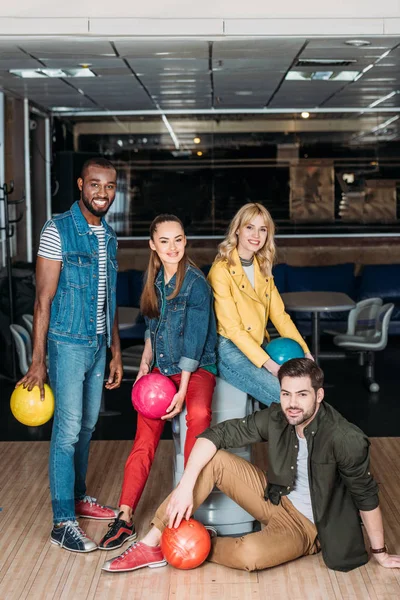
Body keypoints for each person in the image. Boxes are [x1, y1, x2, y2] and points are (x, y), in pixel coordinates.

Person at [102, 358, 400, 574]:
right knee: (213, 458)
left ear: (319, 396)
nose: (292, 404)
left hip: (307, 526)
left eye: (302, 394)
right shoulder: (280, 415)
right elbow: (216, 435)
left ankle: (192, 543)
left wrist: (380, 553)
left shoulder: (345, 438)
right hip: (274, 496)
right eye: (286, 394)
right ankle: (152, 542)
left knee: (249, 555)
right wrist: (186, 485)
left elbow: (366, 497)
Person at [16, 157, 123, 553]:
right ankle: (62, 521)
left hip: (97, 344)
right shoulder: (56, 229)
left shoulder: (108, 236)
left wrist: (115, 350)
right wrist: (38, 359)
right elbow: (42, 302)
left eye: (109, 186)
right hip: (66, 343)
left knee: (88, 425)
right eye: (95, 184)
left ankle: (79, 497)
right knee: (67, 430)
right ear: (81, 184)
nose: (102, 193)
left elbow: (109, 298)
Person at [98, 214, 217, 552]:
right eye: (164, 241)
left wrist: (181, 390)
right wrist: (145, 369)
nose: (172, 247)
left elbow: (194, 345)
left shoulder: (196, 283)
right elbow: (153, 329)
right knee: (143, 439)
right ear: (153, 245)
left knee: (198, 416)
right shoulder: (150, 280)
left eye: (178, 239)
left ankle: (185, 507)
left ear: (185, 241)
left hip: (196, 370)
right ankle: (124, 517)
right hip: (162, 370)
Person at [208, 202, 312, 406]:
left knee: (303, 389)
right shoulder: (220, 271)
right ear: (237, 229)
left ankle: (307, 437)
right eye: (250, 227)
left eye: (262, 229)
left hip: (256, 345)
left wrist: (305, 352)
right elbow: (234, 330)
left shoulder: (262, 268)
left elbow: (280, 317)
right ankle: (320, 436)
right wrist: (272, 366)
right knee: (286, 396)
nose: (256, 234)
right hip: (228, 348)